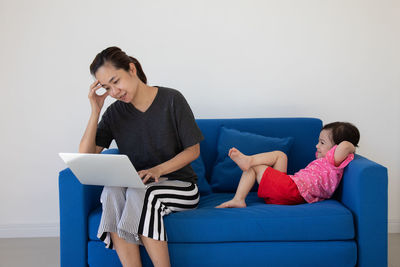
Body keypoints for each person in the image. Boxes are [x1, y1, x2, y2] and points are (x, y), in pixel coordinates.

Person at [79, 46, 204, 267]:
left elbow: (193, 151)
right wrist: (95, 111)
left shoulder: (172, 100)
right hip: (139, 185)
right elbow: (86, 156)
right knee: (111, 192)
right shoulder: (115, 113)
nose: (115, 92)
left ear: (132, 69)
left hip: (180, 185)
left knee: (145, 194)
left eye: (116, 81)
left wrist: (158, 170)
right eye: (108, 88)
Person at [216, 122, 360, 208]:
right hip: (289, 189)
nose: (316, 146)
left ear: (336, 148)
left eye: (322, 143)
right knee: (281, 155)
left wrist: (352, 145)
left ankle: (239, 198)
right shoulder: (326, 160)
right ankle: (248, 162)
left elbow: (346, 145)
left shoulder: (333, 160)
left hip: (291, 191)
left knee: (255, 168)